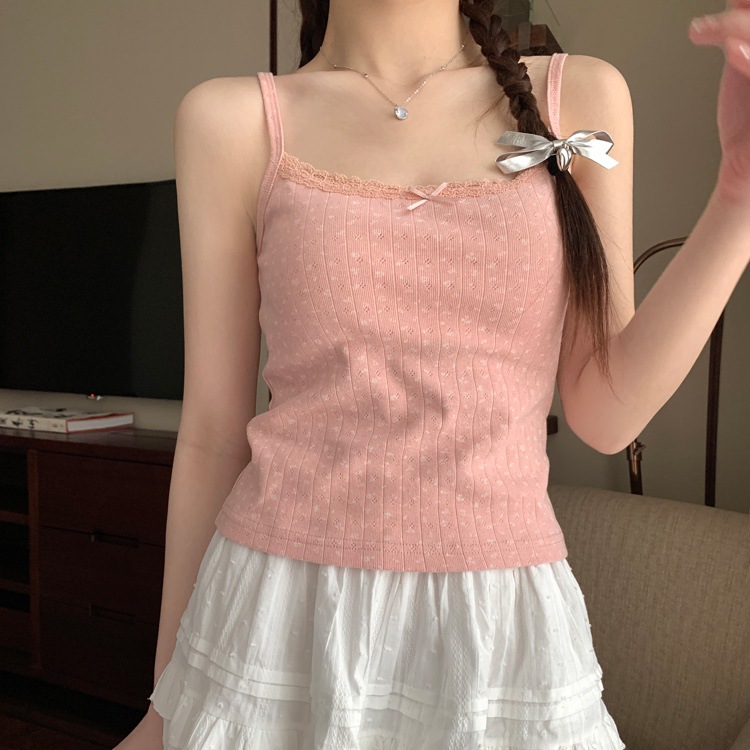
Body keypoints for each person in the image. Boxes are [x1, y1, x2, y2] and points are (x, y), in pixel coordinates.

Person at [116, 0, 750, 747]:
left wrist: (739, 196)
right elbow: (213, 438)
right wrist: (165, 706)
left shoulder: (578, 96)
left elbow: (606, 413)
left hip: (498, 632)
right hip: (276, 617)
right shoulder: (231, 120)